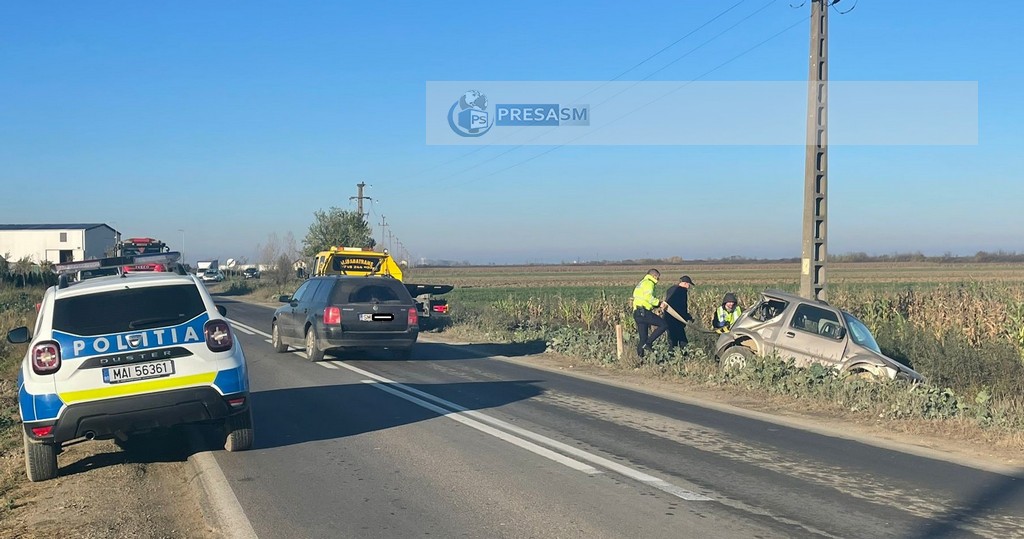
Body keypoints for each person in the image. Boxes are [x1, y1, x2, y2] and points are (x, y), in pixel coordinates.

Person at [632, 269, 669, 357]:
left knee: (642, 338)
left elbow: (641, 298)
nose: (658, 280)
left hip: (637, 313)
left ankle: (639, 359)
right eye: (658, 278)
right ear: (654, 276)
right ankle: (648, 344)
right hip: (644, 312)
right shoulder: (649, 283)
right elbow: (648, 297)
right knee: (663, 325)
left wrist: (655, 306)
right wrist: (659, 303)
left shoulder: (641, 283)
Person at [663, 275, 695, 350]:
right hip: (676, 319)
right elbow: (682, 307)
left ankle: (671, 358)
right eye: (689, 285)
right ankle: (685, 357)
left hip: (668, 318)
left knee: (672, 340)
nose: (689, 287)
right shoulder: (682, 291)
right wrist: (687, 317)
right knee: (683, 341)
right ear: (685, 283)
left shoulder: (671, 289)